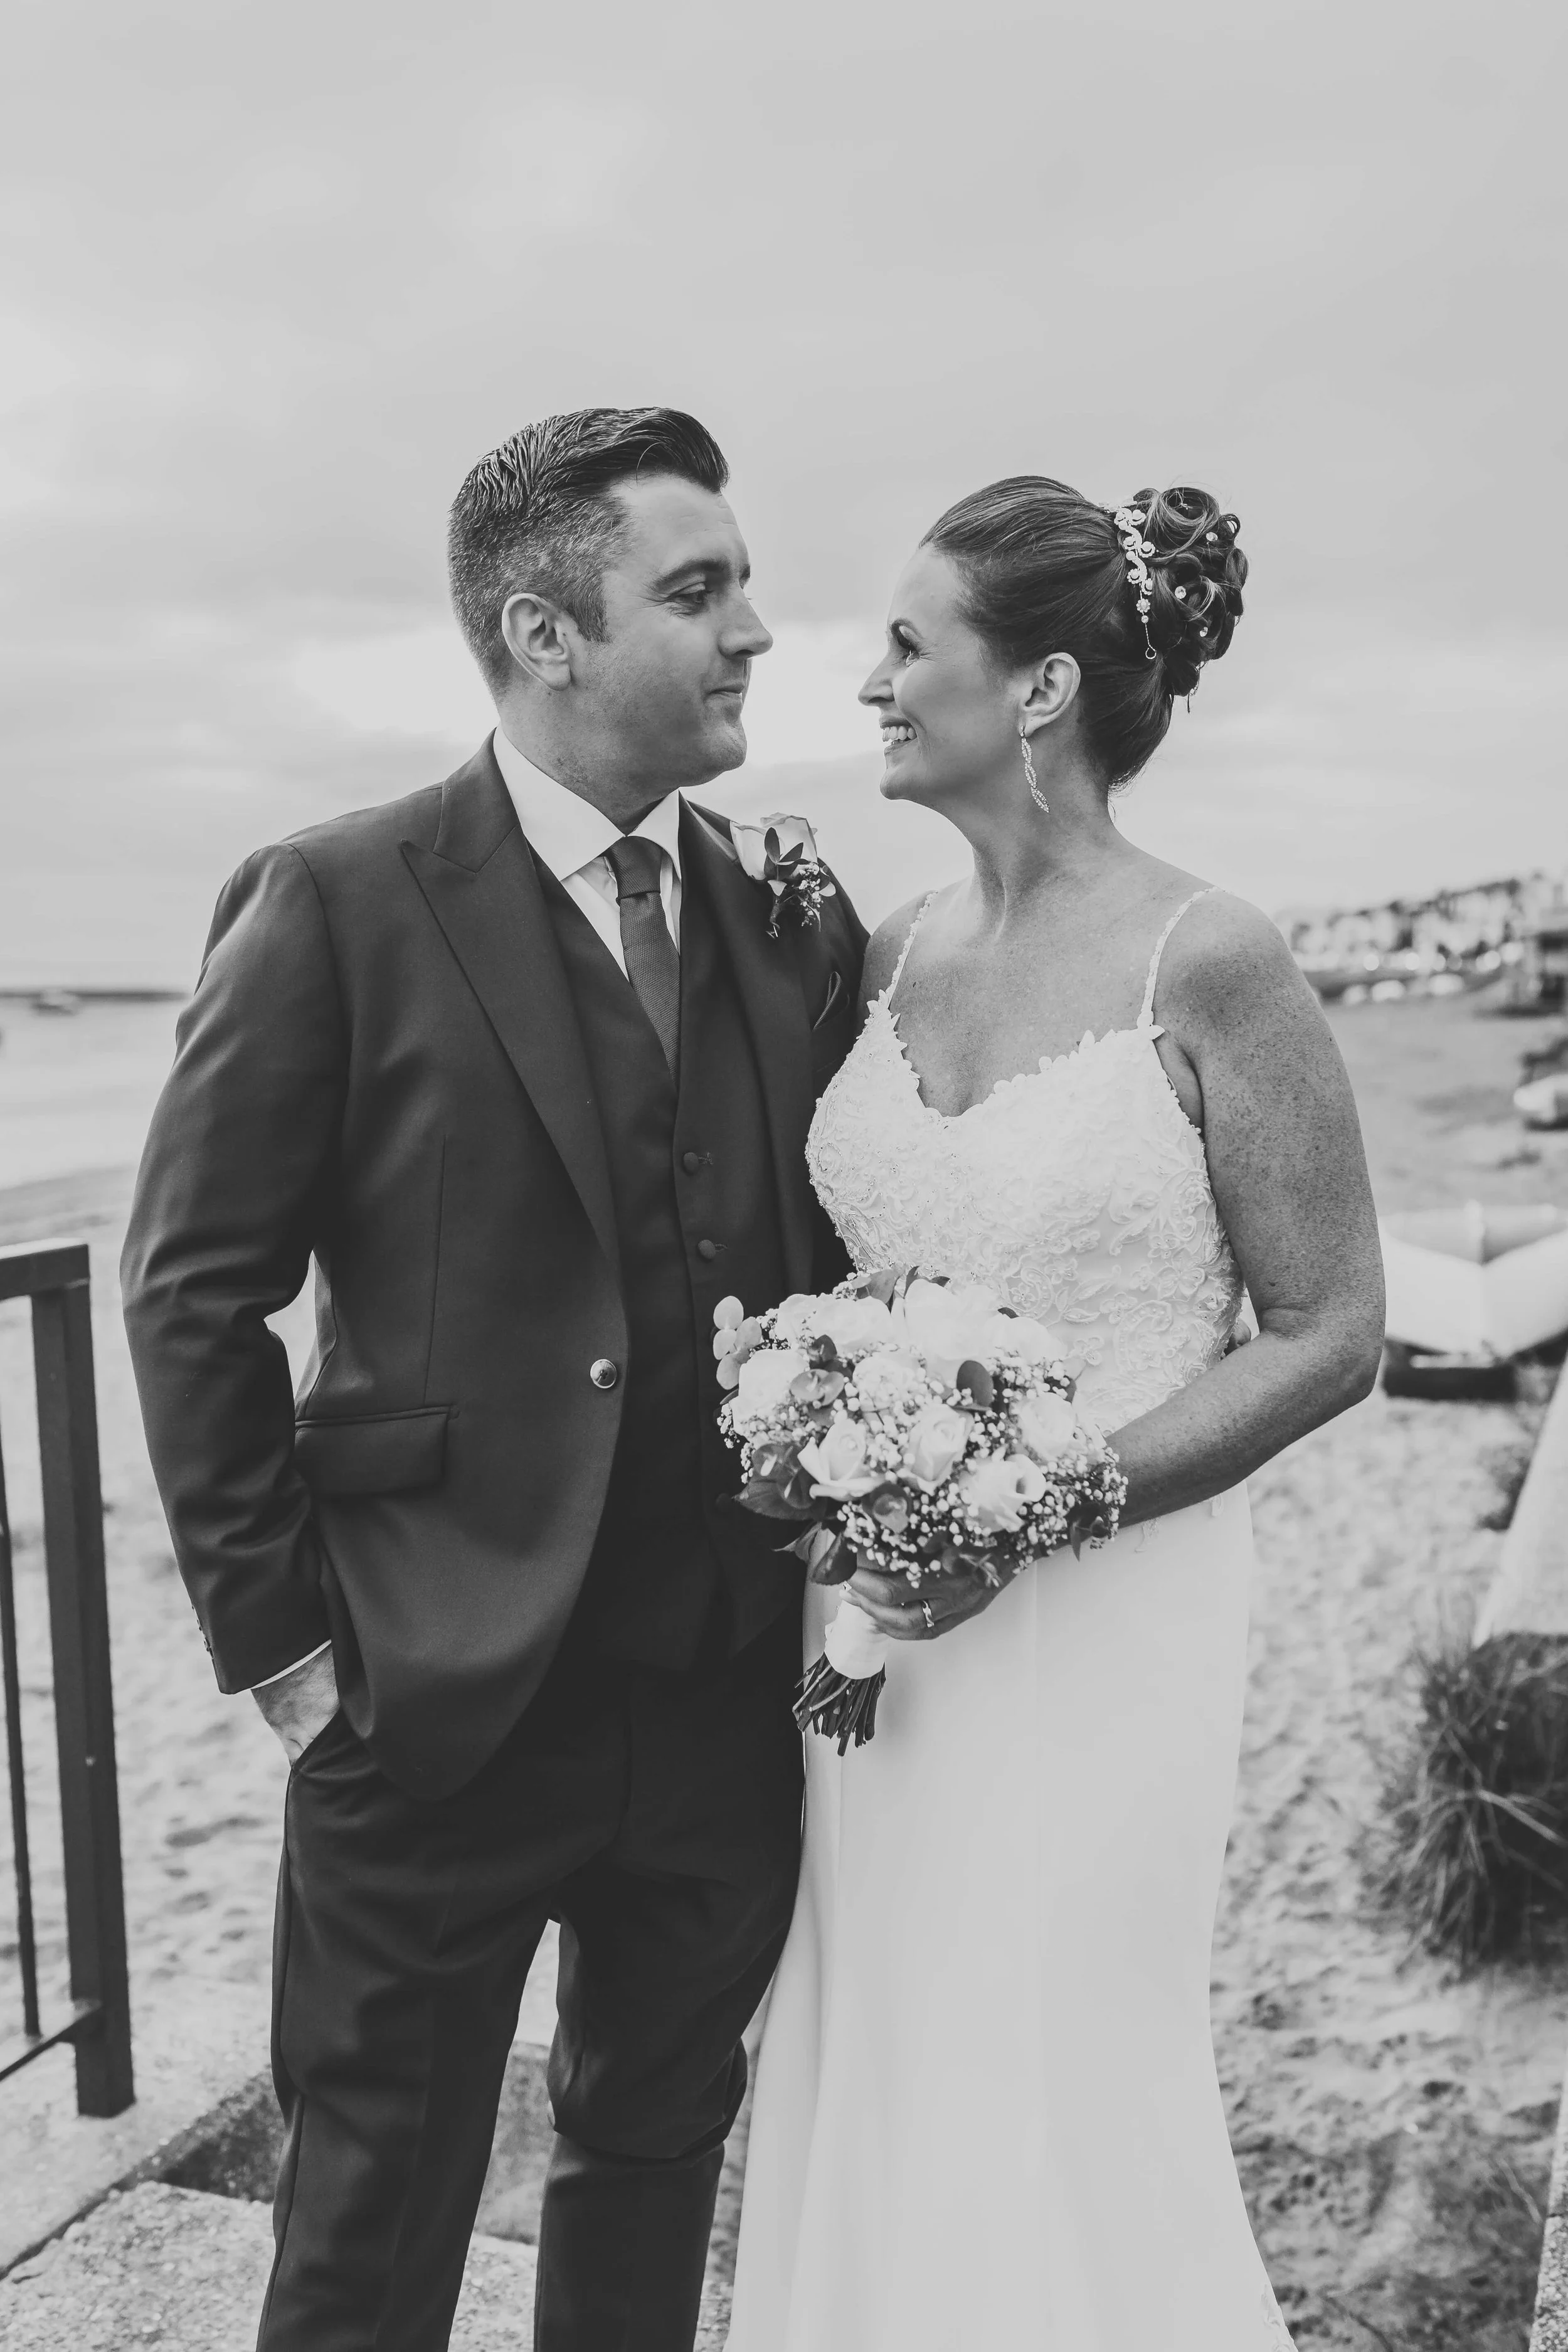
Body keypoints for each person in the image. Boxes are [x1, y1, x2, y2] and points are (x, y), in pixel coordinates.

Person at [120, 406, 866, 2352]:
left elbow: (839, 1249)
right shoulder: (340, 897)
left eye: (743, 584)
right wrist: (286, 1651)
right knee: (371, 2224)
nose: (755, 631)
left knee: (646, 2176)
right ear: (545, 635)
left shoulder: (791, 915)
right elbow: (195, 1288)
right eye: (695, 590)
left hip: (713, 1692)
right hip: (431, 1692)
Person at [727, 479, 1385, 2350]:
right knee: (881, 2038)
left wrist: (1036, 1502)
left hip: (1104, 1611)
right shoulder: (881, 950)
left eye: (906, 644)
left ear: (1035, 689)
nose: (866, 680)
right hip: (875, 1625)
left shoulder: (1213, 958)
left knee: (1058, 2062)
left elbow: (1331, 1326)